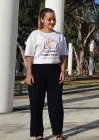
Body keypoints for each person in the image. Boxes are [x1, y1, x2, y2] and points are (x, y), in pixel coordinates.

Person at [25, 8, 68, 140]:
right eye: (49, 19)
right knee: (36, 104)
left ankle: (58, 132)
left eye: (54, 19)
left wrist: (62, 71)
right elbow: (30, 56)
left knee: (56, 103)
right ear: (42, 20)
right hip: (37, 71)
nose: (52, 21)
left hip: (54, 71)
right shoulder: (35, 35)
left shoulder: (60, 36)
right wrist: (29, 73)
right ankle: (38, 133)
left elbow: (63, 56)